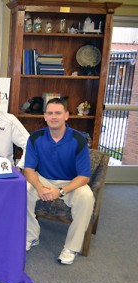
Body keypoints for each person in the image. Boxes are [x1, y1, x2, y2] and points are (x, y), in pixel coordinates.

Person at [24, 98, 94, 265]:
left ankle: (71, 247)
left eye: (58, 113)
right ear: (45, 116)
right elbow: (28, 170)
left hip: (70, 182)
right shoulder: (35, 138)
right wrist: (40, 188)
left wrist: (61, 191)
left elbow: (84, 176)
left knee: (87, 197)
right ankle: (31, 236)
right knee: (22, 189)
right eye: (50, 113)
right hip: (43, 178)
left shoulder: (79, 139)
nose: (54, 117)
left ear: (67, 116)